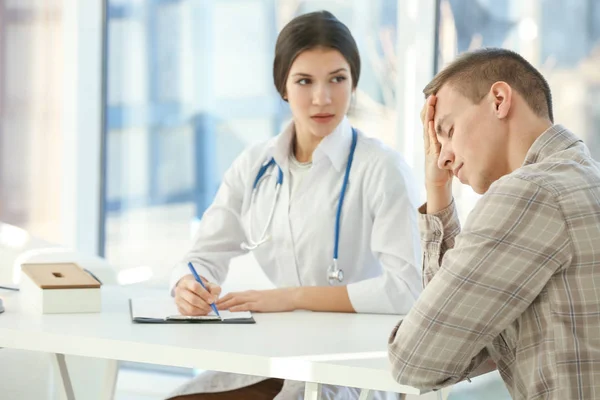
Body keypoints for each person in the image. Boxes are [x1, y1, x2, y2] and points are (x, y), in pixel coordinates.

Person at [167, 10, 421, 400]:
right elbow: (202, 254)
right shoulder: (255, 165)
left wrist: (293, 296)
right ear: (283, 86)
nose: (323, 97)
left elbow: (406, 289)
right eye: (305, 81)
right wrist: (188, 284)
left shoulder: (383, 169)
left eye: (338, 79)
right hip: (277, 354)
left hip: (357, 364)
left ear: (354, 83)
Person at [388, 47, 600, 399]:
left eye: (448, 130)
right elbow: (449, 343)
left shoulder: (530, 193)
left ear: (499, 100)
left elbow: (415, 360)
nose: (441, 157)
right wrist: (437, 190)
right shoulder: (583, 176)